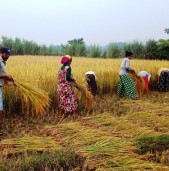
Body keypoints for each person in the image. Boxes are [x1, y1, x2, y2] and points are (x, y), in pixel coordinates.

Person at [0, 46, 13, 138]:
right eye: (7, 54)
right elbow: (3, 75)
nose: (8, 56)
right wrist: (6, 77)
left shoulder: (3, 62)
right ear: (2, 53)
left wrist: (7, 81)